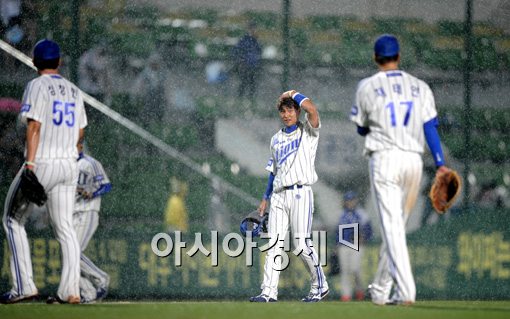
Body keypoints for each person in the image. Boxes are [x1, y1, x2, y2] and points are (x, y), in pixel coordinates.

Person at [350, 34, 452, 305]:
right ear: (399, 56)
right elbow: (430, 127)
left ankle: (407, 292)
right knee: (396, 228)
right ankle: (382, 290)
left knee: (392, 227)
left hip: (385, 159)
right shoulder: (420, 87)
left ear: (375, 57)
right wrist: (440, 163)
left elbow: (361, 127)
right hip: (414, 162)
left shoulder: (368, 86)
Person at [1, 39, 87, 304]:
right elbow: (81, 132)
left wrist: (30, 165)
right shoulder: (74, 90)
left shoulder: (36, 86)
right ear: (59, 62)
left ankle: (24, 286)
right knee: (66, 228)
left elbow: (34, 126)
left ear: (35, 62)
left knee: (12, 219)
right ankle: (71, 290)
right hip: (69, 163)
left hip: (43, 162)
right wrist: (73, 159)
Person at [249, 90, 329, 302]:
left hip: (300, 192)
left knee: (301, 244)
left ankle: (320, 285)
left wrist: (294, 93)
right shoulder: (275, 140)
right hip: (278, 195)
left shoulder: (308, 132)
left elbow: (311, 109)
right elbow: (273, 172)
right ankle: (268, 292)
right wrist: (265, 198)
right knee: (274, 244)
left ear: (296, 111)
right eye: (283, 111)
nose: (286, 114)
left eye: (290, 110)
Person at [74, 138, 112, 303]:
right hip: (72, 213)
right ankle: (88, 293)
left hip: (89, 210)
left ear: (81, 145)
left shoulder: (91, 162)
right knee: (68, 257)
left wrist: (93, 193)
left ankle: (101, 278)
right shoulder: (65, 165)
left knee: (73, 254)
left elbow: (107, 185)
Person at [336, 191, 373, 301]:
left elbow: (369, 229)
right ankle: (345, 295)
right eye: (348, 200)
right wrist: (336, 245)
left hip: (356, 245)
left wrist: (364, 238)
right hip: (344, 245)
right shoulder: (341, 214)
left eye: (352, 200)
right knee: (345, 270)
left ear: (356, 201)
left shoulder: (361, 213)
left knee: (355, 269)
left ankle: (359, 290)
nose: (350, 202)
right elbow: (337, 231)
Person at [231, 21, 262, 101]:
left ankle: (250, 100)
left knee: (252, 84)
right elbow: (236, 51)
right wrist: (241, 61)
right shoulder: (245, 40)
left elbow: (258, 52)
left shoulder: (256, 41)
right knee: (244, 83)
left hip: (253, 66)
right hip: (245, 66)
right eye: (252, 29)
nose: (254, 31)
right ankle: (240, 99)